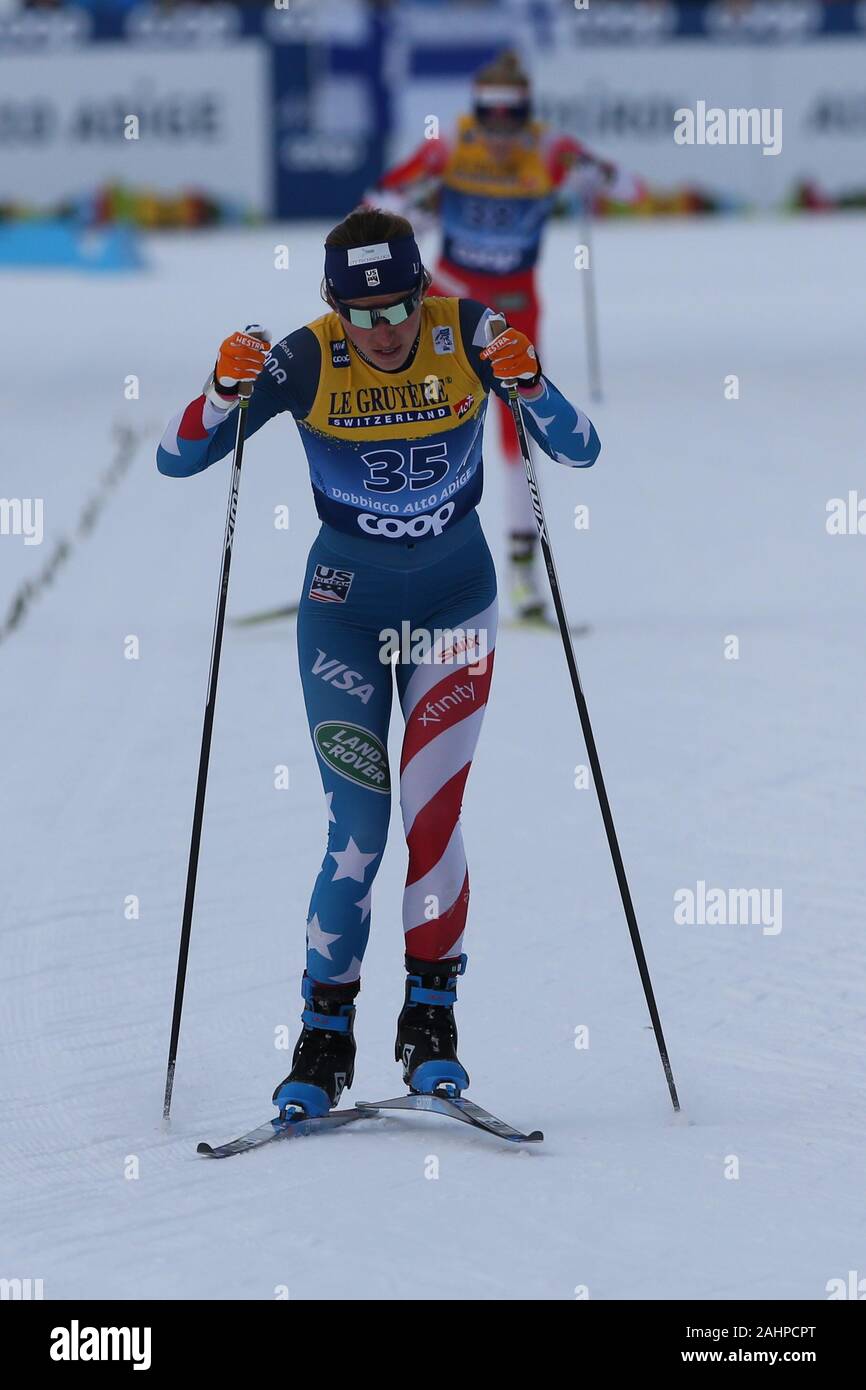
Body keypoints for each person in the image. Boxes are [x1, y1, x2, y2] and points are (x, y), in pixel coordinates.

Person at [157, 207, 600, 1118]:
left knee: (430, 817)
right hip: (345, 618)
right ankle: (324, 1040)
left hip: (453, 610)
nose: (384, 331)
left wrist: (531, 382)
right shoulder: (309, 357)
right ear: (332, 306)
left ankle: (431, 1025)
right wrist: (219, 389)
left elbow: (579, 446)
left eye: (398, 307)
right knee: (358, 830)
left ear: (421, 289)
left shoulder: (471, 333)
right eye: (361, 316)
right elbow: (177, 458)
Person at [369, 49, 637, 622]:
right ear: (476, 114)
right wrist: (408, 211)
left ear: (526, 115)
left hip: (513, 309)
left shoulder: (550, 149)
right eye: (488, 119)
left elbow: (633, 190)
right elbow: (375, 205)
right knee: (421, 420)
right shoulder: (448, 146)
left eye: (510, 120)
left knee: (516, 432)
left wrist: (601, 178)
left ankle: (521, 575)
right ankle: (391, 562)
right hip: (446, 301)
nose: (497, 135)